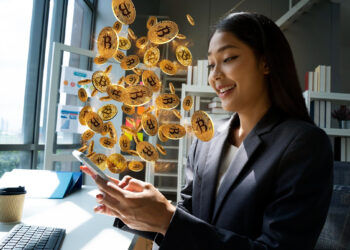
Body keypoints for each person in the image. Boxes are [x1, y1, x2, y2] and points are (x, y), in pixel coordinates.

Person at [81, 12, 333, 250]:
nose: (215, 76)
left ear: (266, 62)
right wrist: (135, 211)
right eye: (211, 65)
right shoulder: (207, 137)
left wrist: (167, 218)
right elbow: (190, 220)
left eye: (228, 59)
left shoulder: (304, 145)